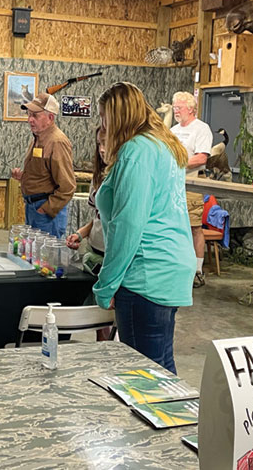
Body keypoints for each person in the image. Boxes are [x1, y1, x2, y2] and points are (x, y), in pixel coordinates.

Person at [93, 82, 195, 374]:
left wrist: (107, 283)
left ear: (117, 116)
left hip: (146, 272)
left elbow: (129, 225)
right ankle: (176, 419)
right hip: (170, 266)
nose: (102, 126)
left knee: (142, 374)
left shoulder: (135, 151)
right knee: (161, 367)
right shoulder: (163, 145)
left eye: (104, 118)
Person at [11, 93, 75, 238]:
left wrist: (46, 209)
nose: (30, 120)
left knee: (48, 258)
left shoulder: (57, 142)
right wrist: (24, 178)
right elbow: (44, 173)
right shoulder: (38, 138)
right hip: (33, 207)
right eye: (29, 115)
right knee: (34, 256)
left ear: (50, 118)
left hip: (46, 212)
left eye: (35, 116)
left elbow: (67, 186)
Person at [169, 91, 213, 288]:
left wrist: (179, 163)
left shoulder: (201, 129)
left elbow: (202, 158)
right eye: (174, 107)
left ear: (191, 108)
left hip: (192, 184)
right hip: (172, 185)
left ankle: (197, 271)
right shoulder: (172, 130)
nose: (175, 111)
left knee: (194, 227)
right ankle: (174, 266)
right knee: (172, 226)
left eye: (179, 107)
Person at [66, 127, 106, 276]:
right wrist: (80, 234)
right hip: (93, 253)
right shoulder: (98, 177)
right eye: (99, 144)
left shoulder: (124, 179)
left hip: (111, 259)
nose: (102, 149)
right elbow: (99, 218)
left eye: (106, 143)